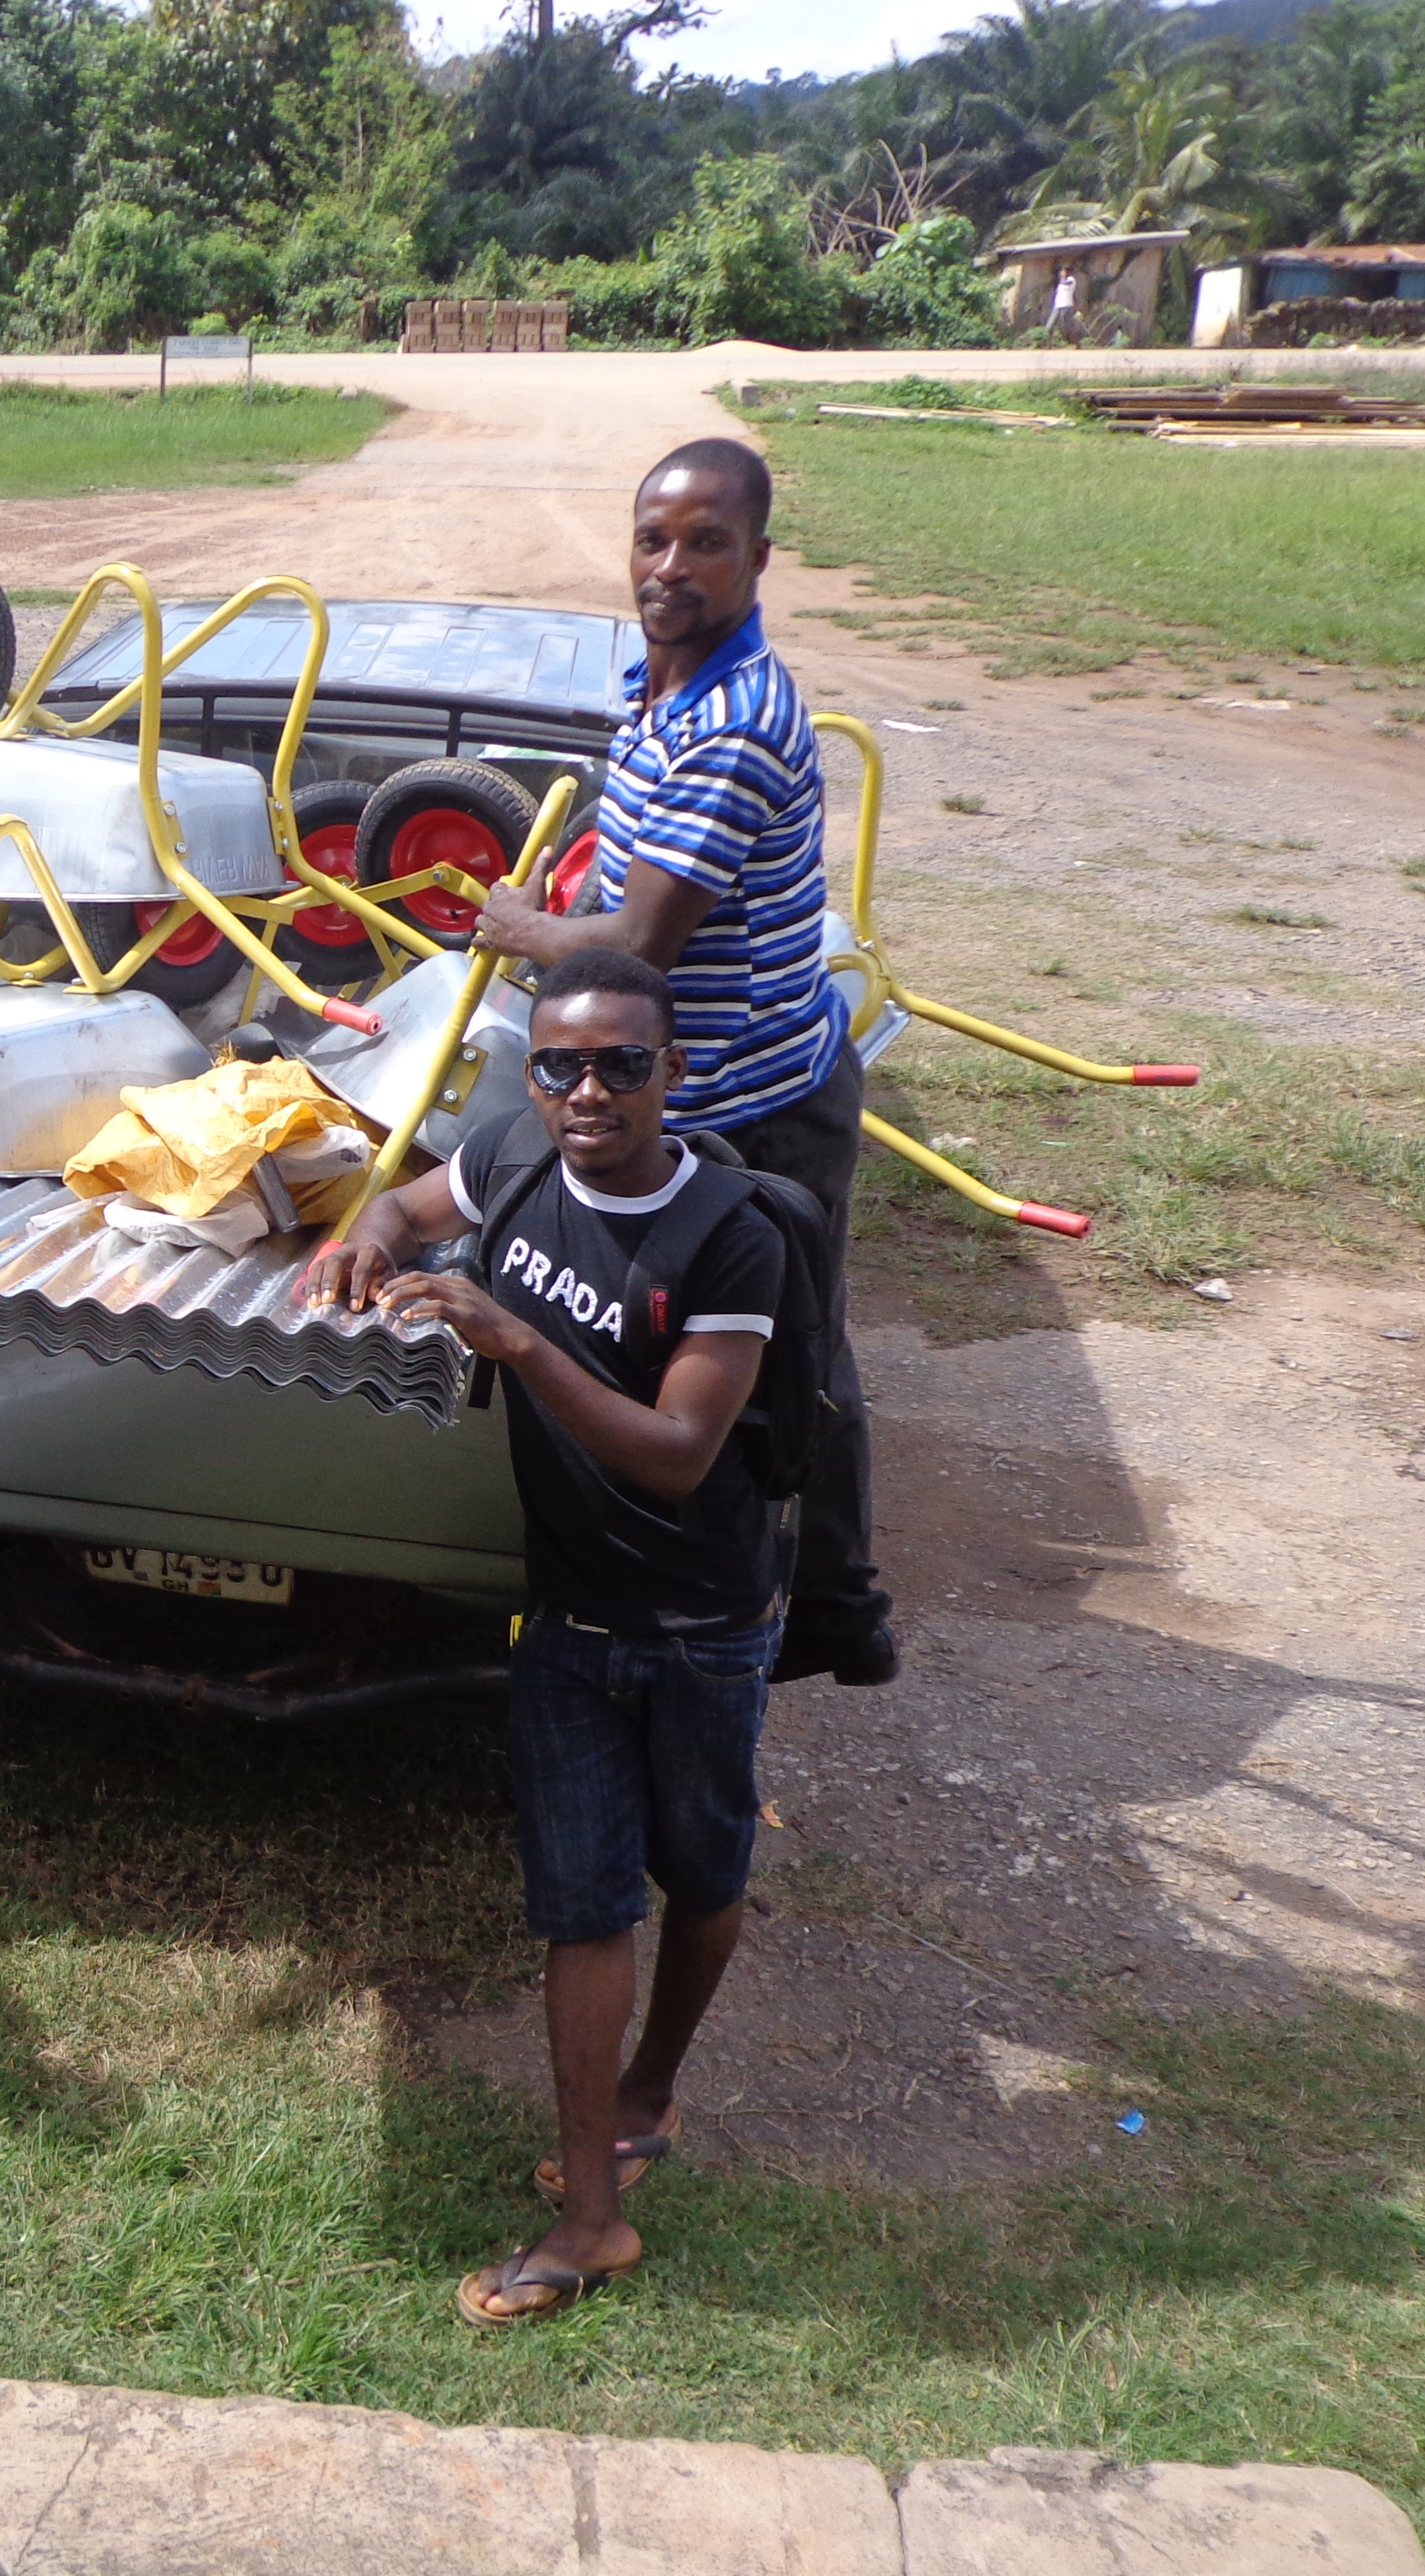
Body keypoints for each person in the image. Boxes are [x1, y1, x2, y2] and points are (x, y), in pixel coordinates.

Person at [302, 951, 789, 2326]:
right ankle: (590, 2217)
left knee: (701, 1879)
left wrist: (512, 1339)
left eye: (621, 1065)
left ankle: (651, 2088)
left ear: (668, 1074)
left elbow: (680, 1452)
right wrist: (368, 1239)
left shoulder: (727, 1231)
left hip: (700, 1622)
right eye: (560, 1063)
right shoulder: (512, 1151)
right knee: (582, 1912)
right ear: (528, 1075)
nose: (588, 1091)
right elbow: (407, 1198)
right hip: (566, 1616)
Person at [468, 438, 894, 1690]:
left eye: (706, 542)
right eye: (653, 538)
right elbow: (627, 869)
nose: (671, 565)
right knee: (687, 1341)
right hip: (689, 1084)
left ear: (757, 558)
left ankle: (828, 1609)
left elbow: (642, 940)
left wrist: (523, 930)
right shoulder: (650, 682)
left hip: (755, 1103)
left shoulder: (731, 722)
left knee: (792, 1357)